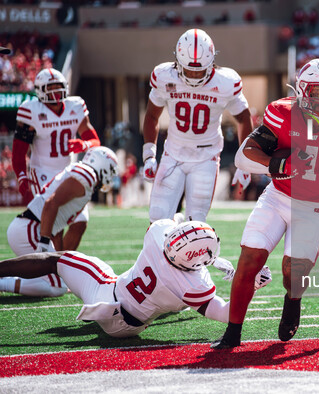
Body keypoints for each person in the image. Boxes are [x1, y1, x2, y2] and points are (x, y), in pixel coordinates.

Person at [211, 58, 319, 349]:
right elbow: (245, 155)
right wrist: (277, 163)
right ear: (302, 90)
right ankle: (233, 332)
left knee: (292, 272)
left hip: (314, 206)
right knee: (249, 261)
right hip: (278, 196)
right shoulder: (281, 112)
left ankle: (292, 300)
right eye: (318, 92)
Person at [0, 219, 272, 337]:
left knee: (56, 259)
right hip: (130, 325)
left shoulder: (158, 236)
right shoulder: (193, 283)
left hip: (108, 293)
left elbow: (166, 223)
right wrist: (250, 284)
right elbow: (227, 314)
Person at [142, 28, 253, 223]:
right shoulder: (164, 76)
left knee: (196, 224)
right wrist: (149, 154)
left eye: (199, 69)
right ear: (177, 62)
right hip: (173, 154)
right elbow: (152, 115)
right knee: (157, 220)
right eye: (188, 69)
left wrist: (245, 162)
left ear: (211, 63)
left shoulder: (225, 82)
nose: (193, 74)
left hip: (205, 158)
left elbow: (244, 118)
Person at [0, 147, 118, 297]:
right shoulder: (87, 176)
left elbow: (56, 220)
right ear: (102, 164)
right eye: (111, 169)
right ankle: (3, 283)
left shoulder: (84, 176)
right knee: (56, 287)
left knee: (57, 282)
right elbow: (51, 204)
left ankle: (5, 280)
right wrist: (43, 243)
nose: (111, 175)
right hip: (31, 227)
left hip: (31, 227)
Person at [12, 68, 101, 251]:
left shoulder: (75, 106)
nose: (55, 93)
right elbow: (18, 150)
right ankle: (55, 269)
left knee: (80, 223)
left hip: (68, 170)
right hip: (43, 171)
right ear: (40, 91)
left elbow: (94, 140)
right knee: (55, 229)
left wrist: (83, 145)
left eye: (58, 88)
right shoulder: (31, 111)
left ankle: (63, 263)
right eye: (50, 88)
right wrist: (21, 175)